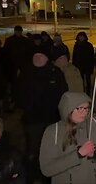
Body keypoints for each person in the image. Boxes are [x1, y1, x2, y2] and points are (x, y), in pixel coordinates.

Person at [16, 46, 68, 184]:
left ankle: (50, 176)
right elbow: (18, 94)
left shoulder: (55, 72)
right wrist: (26, 106)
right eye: (35, 55)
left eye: (41, 55)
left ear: (47, 58)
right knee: (33, 150)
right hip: (32, 121)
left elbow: (63, 93)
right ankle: (33, 175)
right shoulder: (25, 72)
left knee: (51, 149)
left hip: (51, 119)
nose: (38, 57)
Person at [39, 91, 96, 184]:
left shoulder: (95, 125)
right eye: (79, 108)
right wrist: (78, 154)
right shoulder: (52, 132)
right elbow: (47, 169)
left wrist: (95, 154)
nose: (84, 112)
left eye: (86, 108)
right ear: (67, 109)